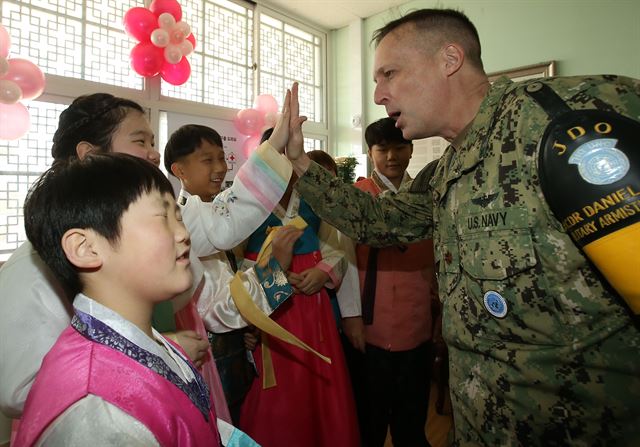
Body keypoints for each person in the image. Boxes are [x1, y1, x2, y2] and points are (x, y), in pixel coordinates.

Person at [278, 9, 640, 446]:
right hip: (480, 425)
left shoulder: (566, 115)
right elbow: (382, 222)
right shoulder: (445, 171)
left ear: (449, 59)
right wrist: (299, 160)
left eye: (389, 74)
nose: (378, 95)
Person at [0, 93, 208, 419]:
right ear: (90, 156)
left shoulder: (138, 245)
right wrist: (161, 352)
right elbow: (19, 389)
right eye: (140, 140)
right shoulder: (33, 269)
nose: (154, 153)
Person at [15, 153, 225, 445]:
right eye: (162, 217)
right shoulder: (97, 414)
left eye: (178, 216)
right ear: (86, 248)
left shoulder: (148, 341)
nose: (183, 233)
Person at [164, 123, 303, 424]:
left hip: (233, 354)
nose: (219, 168)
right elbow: (218, 311)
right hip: (212, 362)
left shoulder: (210, 212)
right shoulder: (185, 226)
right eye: (207, 159)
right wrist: (275, 271)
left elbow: (228, 279)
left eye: (222, 158)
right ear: (179, 170)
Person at [237, 130, 360, 447]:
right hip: (270, 315)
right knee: (278, 395)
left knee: (316, 391)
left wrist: (322, 272)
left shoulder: (314, 199)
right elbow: (236, 265)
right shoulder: (247, 204)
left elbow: (338, 250)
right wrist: (274, 276)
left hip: (311, 314)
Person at [348, 117, 437, 447]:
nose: (392, 156)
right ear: (370, 153)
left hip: (418, 326)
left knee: (411, 420)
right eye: (382, 149)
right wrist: (352, 319)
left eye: (399, 148)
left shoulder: (426, 198)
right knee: (369, 422)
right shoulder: (357, 197)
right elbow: (340, 261)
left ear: (411, 150)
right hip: (369, 329)